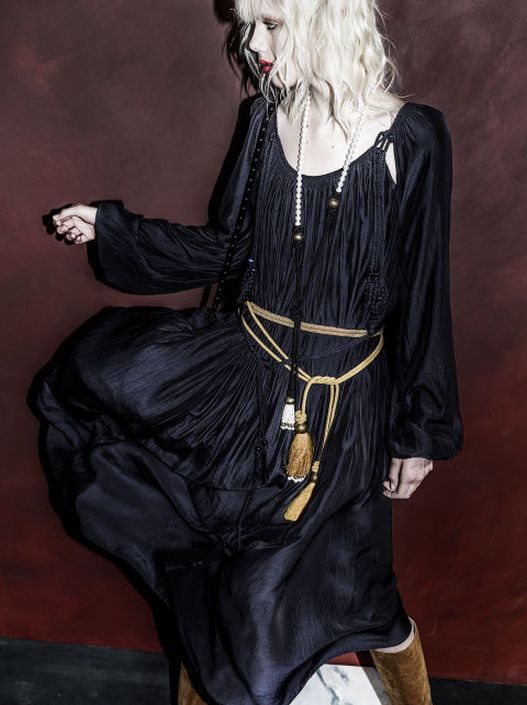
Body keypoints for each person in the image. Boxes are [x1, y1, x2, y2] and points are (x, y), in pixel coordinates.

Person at [30, 0, 464, 703]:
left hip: (345, 409)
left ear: (326, 16)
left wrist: (422, 430)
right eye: (246, 23)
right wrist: (113, 228)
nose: (250, 42)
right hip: (245, 385)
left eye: (271, 23)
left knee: (354, 594)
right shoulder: (265, 119)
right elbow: (226, 249)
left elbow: (423, 291)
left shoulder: (413, 136)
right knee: (226, 582)